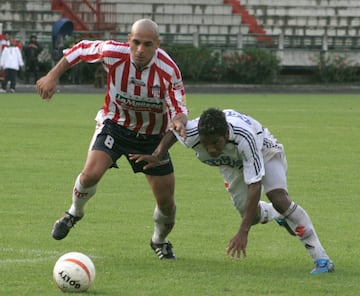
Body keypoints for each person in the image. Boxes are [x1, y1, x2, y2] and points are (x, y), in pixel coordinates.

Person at [36, 19, 188, 260]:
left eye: (147, 44)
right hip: (115, 126)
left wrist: (176, 124)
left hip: (151, 138)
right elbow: (80, 49)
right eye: (136, 42)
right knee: (90, 174)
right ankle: (74, 212)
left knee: (167, 204)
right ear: (128, 40)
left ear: (157, 45)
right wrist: (52, 76)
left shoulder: (168, 70)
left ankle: (159, 240)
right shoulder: (113, 53)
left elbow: (179, 111)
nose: (140, 50)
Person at [129, 108, 334, 274]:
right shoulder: (191, 133)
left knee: (279, 198)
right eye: (206, 144)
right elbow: (173, 133)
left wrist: (243, 232)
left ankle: (321, 259)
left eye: (215, 143)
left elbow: (255, 184)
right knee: (251, 216)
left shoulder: (244, 137)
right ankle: (277, 214)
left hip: (265, 152)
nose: (210, 149)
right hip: (230, 165)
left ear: (226, 134)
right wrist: (157, 154)